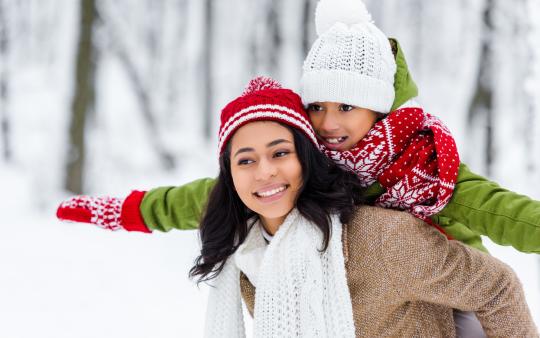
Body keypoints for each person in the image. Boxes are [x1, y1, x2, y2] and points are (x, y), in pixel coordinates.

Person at [191, 77, 536, 337]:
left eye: (280, 153)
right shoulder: (248, 257)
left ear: (307, 160)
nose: (265, 172)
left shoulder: (381, 239)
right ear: (230, 176)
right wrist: (139, 209)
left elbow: (497, 288)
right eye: (246, 161)